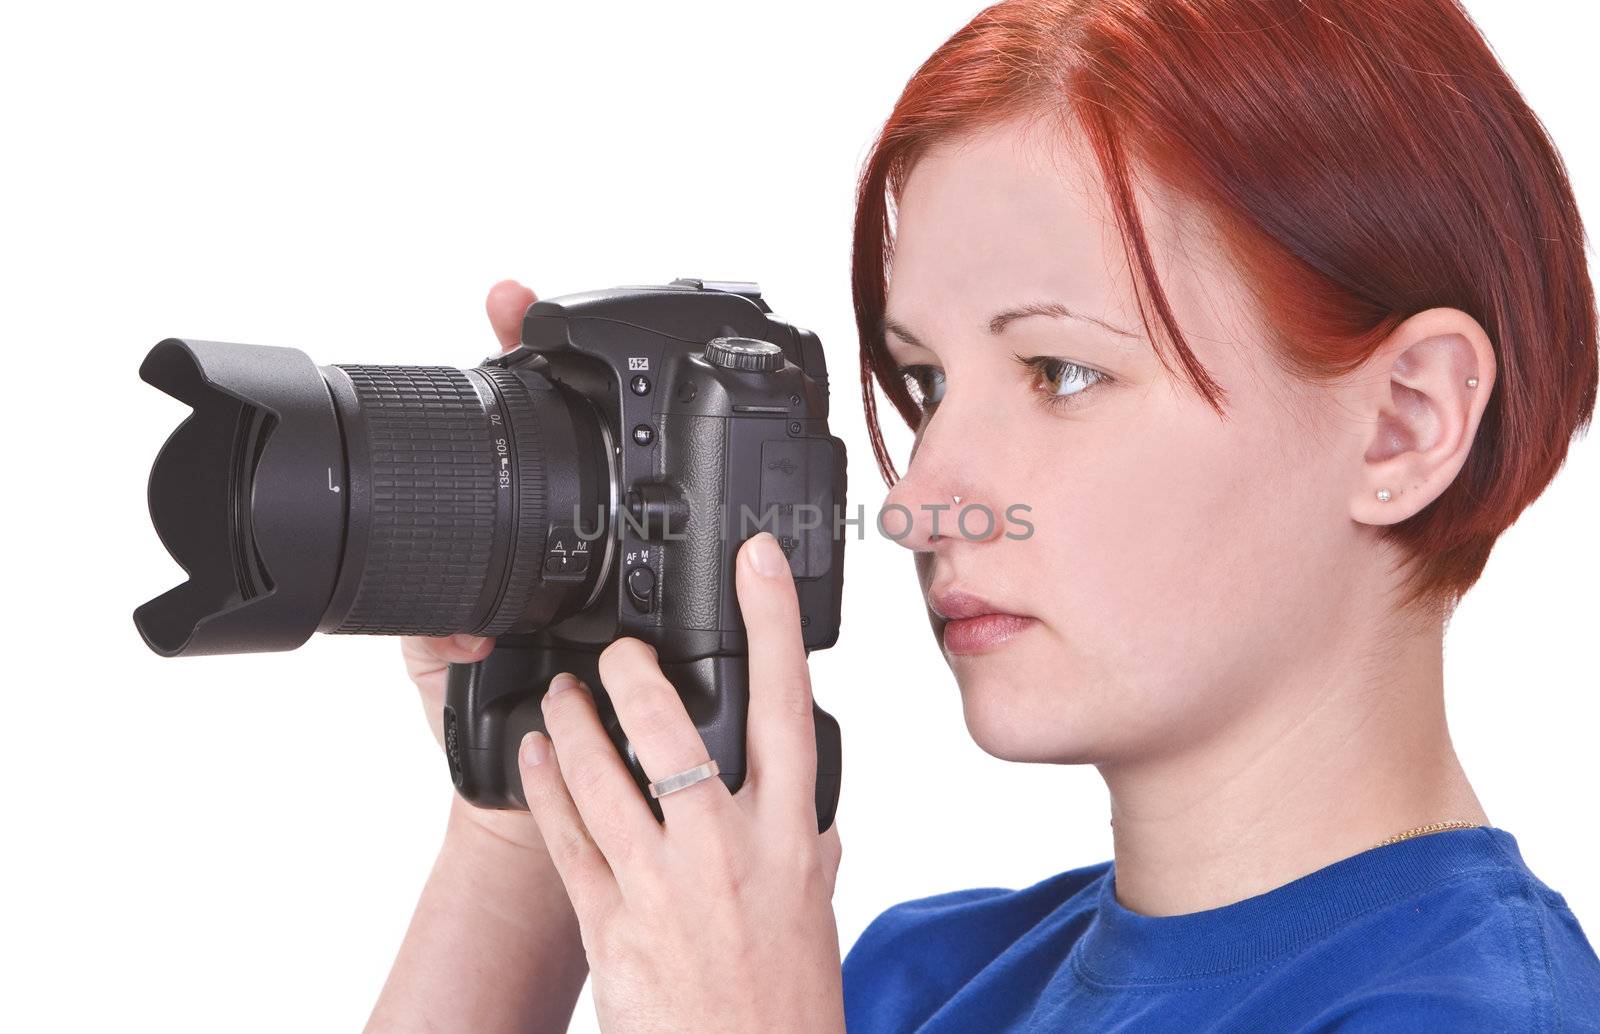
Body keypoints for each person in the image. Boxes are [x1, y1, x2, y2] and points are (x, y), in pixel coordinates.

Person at [366, 1, 1600, 1030]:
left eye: (1061, 372)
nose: (912, 504)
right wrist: (522, 816)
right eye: (926, 383)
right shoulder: (925, 980)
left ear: (1404, 420)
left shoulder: (1468, 1012)